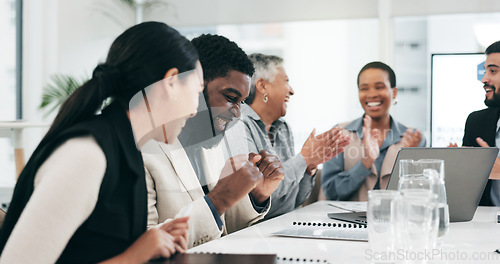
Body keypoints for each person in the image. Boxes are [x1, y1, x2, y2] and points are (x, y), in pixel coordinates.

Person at [0, 22, 201, 263]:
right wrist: (133, 256)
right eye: (197, 91)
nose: (195, 110)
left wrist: (148, 244)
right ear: (171, 82)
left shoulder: (126, 149)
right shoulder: (87, 154)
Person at [143, 34, 285, 248]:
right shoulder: (144, 150)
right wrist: (219, 199)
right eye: (230, 98)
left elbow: (223, 229)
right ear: (196, 86)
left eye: (242, 102)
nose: (237, 113)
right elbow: (142, 247)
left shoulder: (210, 145)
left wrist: (257, 194)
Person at [224, 53, 350, 219]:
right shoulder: (238, 125)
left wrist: (308, 168)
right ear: (262, 86)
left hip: (282, 224)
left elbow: (294, 201)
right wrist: (303, 158)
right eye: (285, 81)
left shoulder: (283, 128)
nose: (291, 91)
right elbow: (260, 198)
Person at [322, 61, 426, 201]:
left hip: (396, 220)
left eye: (379, 87)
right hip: (349, 222)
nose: (372, 94)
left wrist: (410, 161)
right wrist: (366, 162)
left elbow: (421, 195)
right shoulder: (339, 134)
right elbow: (331, 193)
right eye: (364, 88)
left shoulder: (413, 138)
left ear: (394, 92)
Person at [460, 40, 500, 206]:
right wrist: (456, 167)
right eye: (485, 71)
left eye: (493, 71)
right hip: (483, 226)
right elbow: (465, 191)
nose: (484, 79)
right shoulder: (476, 122)